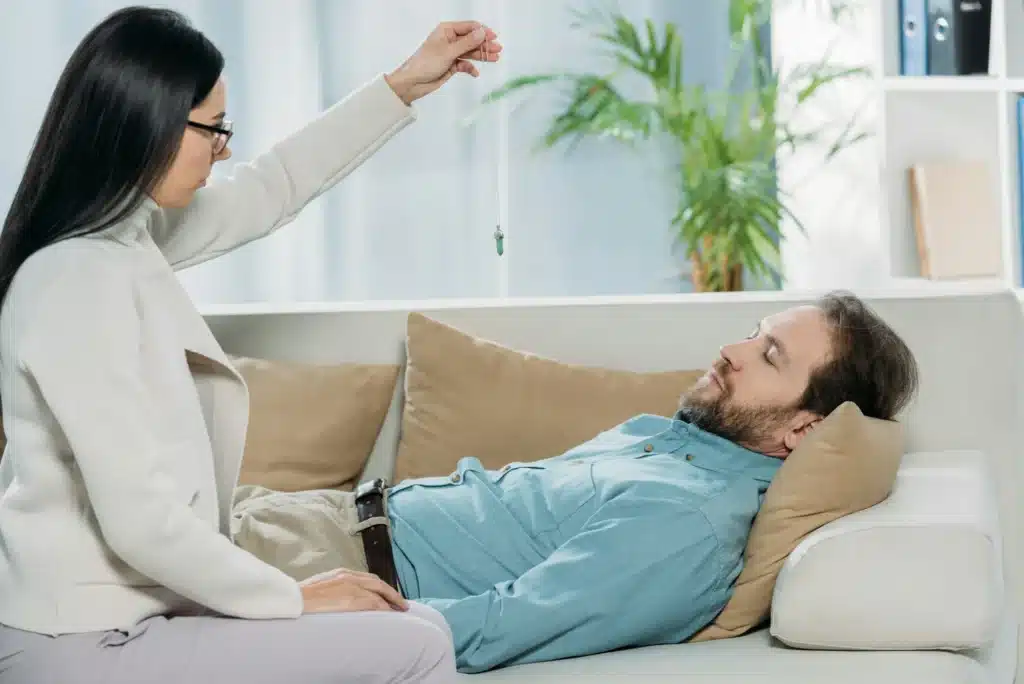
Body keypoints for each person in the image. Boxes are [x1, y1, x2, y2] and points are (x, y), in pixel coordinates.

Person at [0, 6, 501, 684]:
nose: (224, 147)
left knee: (423, 625)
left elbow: (271, 187)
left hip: (125, 615)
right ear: (144, 123)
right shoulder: (73, 281)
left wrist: (405, 83)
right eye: (212, 128)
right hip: (83, 639)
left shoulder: (123, 239)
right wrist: (291, 596)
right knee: (414, 646)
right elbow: (139, 520)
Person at [231, 291, 921, 674]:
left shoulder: (689, 524)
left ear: (801, 431)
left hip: (328, 571)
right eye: (752, 331)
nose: (733, 350)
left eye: (769, 355)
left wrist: (323, 618)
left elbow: (510, 622)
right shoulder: (677, 440)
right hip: (309, 519)